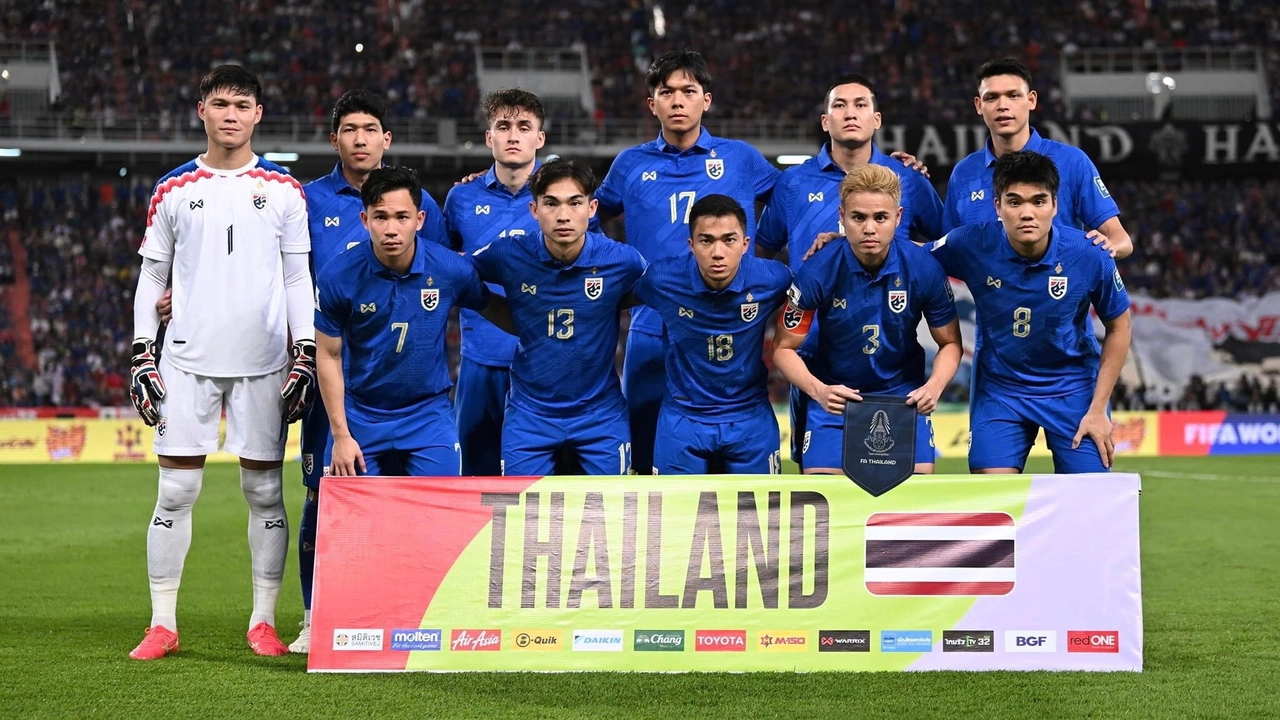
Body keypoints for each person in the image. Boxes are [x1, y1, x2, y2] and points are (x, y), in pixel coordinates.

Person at [127, 65, 315, 660]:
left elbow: (297, 277)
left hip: (264, 361)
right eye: (219, 103)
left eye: (241, 105)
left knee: (264, 492)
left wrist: (305, 351)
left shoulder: (284, 190)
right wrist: (142, 351)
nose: (230, 114)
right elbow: (152, 276)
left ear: (258, 114)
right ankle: (162, 623)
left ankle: (263, 622)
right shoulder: (172, 189)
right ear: (201, 111)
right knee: (175, 489)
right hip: (186, 361)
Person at [290, 89, 449, 654]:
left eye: (371, 129)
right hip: (333, 380)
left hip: (404, 382)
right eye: (350, 129)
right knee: (322, 498)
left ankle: (407, 612)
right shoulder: (307, 200)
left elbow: (442, 272)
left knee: (413, 501)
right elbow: (280, 272)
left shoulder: (422, 203)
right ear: (334, 139)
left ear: (387, 138)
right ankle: (314, 616)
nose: (360, 139)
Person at [594, 50, 782, 475]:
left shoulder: (740, 158)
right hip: (652, 328)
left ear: (706, 100)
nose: (678, 100)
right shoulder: (630, 163)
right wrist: (614, 263)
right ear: (652, 104)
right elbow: (584, 217)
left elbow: (795, 199)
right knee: (647, 461)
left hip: (727, 326)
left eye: (688, 91)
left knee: (736, 465)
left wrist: (763, 250)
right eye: (667, 92)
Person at [756, 73, 944, 470]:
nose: (850, 113)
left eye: (860, 105)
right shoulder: (793, 183)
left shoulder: (907, 179)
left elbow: (947, 244)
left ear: (877, 119)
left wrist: (910, 251)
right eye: (839, 106)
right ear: (825, 121)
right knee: (822, 485)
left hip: (892, 358)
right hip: (813, 360)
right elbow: (760, 254)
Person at [928, 151, 1132, 473]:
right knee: (992, 493)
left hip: (1073, 388)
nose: (1027, 213)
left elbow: (1120, 328)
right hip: (1001, 389)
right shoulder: (969, 243)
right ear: (997, 206)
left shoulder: (1089, 254)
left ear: (1055, 205)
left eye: (1038, 201)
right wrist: (851, 242)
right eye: (1014, 202)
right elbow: (914, 259)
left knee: (1089, 495)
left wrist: (1098, 408)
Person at [773, 164, 962, 475]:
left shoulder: (923, 268)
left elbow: (951, 343)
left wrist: (934, 387)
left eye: (880, 218)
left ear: (898, 217)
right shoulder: (817, 270)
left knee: (917, 490)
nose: (869, 228)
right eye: (858, 217)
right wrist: (819, 391)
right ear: (842, 216)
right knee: (822, 495)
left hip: (902, 397)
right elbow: (783, 348)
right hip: (835, 397)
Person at [315, 166, 495, 479]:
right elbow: (328, 355)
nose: (391, 229)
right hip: (361, 415)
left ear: (420, 220)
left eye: (402, 217)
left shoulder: (449, 269)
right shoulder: (337, 275)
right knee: (350, 511)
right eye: (380, 217)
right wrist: (341, 435)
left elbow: (493, 307)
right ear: (365, 220)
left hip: (428, 415)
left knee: (443, 510)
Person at [471, 159, 646, 475]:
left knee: (612, 506)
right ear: (534, 210)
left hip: (601, 414)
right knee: (520, 506)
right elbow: (456, 274)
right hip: (529, 414)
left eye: (574, 203)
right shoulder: (508, 253)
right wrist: (489, 305)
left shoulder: (622, 260)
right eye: (551, 203)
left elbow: (661, 289)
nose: (563, 215)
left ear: (592, 208)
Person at [632, 195, 792, 474]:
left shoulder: (773, 279)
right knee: (676, 505)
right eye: (706, 240)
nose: (718, 252)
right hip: (682, 418)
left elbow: (816, 291)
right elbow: (613, 298)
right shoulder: (662, 279)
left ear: (745, 244)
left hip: (750, 417)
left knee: (758, 505)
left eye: (729, 240)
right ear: (691, 245)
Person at [443, 89, 549, 477]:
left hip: (544, 363)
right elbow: (442, 269)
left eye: (524, 126)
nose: (513, 135)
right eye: (503, 126)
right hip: (478, 364)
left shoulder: (560, 197)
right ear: (489, 137)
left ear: (540, 138)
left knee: (540, 487)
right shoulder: (460, 198)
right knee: (473, 482)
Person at [943, 58, 1133, 258]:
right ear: (979, 105)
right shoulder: (963, 173)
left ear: (1031, 100)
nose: (1002, 105)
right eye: (991, 98)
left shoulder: (1071, 161)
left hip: (1059, 278)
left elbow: (1120, 239)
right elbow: (947, 250)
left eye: (1013, 95)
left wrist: (1104, 250)